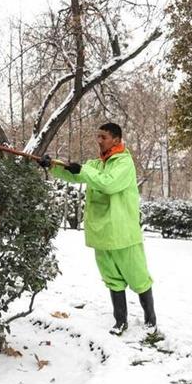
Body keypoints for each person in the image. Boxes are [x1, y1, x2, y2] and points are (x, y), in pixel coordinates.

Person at [38, 122, 157, 336]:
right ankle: (120, 321)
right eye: (98, 136)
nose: (99, 140)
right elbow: (75, 175)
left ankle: (151, 318)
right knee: (112, 278)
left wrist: (83, 171)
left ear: (117, 140)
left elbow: (108, 184)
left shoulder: (124, 163)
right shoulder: (96, 163)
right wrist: (52, 166)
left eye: (103, 137)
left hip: (123, 233)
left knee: (137, 276)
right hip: (101, 233)